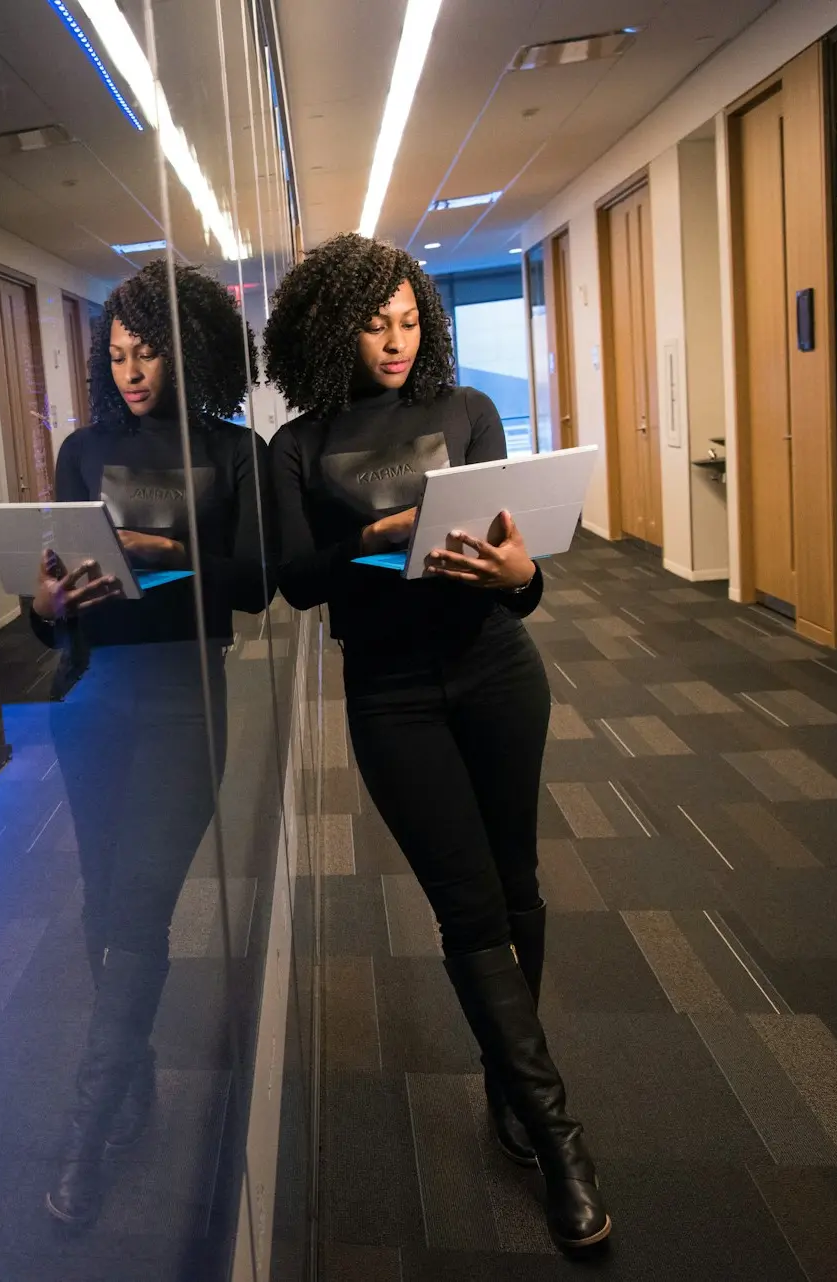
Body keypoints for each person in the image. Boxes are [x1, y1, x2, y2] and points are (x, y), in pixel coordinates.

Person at [264, 233, 610, 1251]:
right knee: (467, 907)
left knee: (517, 882)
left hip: (496, 667)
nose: (397, 341)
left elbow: (521, 572)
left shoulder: (467, 412)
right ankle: (560, 1139)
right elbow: (295, 579)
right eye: (375, 324)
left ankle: (509, 1082)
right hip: (391, 693)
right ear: (334, 329)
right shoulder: (299, 446)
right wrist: (371, 539)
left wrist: (522, 576)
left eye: (411, 321)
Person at [29, 260, 273, 1228]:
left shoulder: (233, 450)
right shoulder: (82, 450)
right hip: (95, 696)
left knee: (137, 906)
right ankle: (131, 1080)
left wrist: (174, 554)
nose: (131, 372)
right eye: (119, 354)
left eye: (149, 353)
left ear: (189, 350)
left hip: (185, 699)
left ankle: (86, 1130)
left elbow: (259, 584)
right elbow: (52, 604)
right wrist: (47, 605)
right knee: (102, 903)